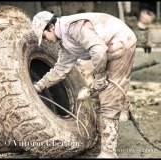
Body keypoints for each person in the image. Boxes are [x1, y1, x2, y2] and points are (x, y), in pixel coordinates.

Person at [32, 11, 137, 158]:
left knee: (109, 96)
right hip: (107, 47)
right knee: (96, 94)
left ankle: (109, 152)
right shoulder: (65, 42)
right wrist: (40, 85)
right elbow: (60, 69)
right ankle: (103, 141)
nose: (45, 40)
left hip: (120, 42)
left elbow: (98, 50)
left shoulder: (73, 27)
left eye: (44, 36)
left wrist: (100, 77)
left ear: (50, 26)